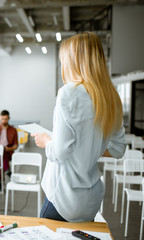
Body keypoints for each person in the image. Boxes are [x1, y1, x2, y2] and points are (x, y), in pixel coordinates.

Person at [32, 32, 126, 222]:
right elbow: (117, 149)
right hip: (90, 200)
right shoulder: (112, 98)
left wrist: (46, 141)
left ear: (74, 61)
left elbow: (59, 153)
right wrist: (88, 149)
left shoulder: (69, 93)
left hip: (62, 198)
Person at [0, 110, 18, 189]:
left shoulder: (13, 130)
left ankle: (0, 180)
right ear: (0, 118)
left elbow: (16, 145)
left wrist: (9, 148)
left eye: (5, 119)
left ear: (9, 118)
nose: (4, 121)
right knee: (0, 154)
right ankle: (7, 170)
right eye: (2, 119)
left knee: (2, 156)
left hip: (8, 152)